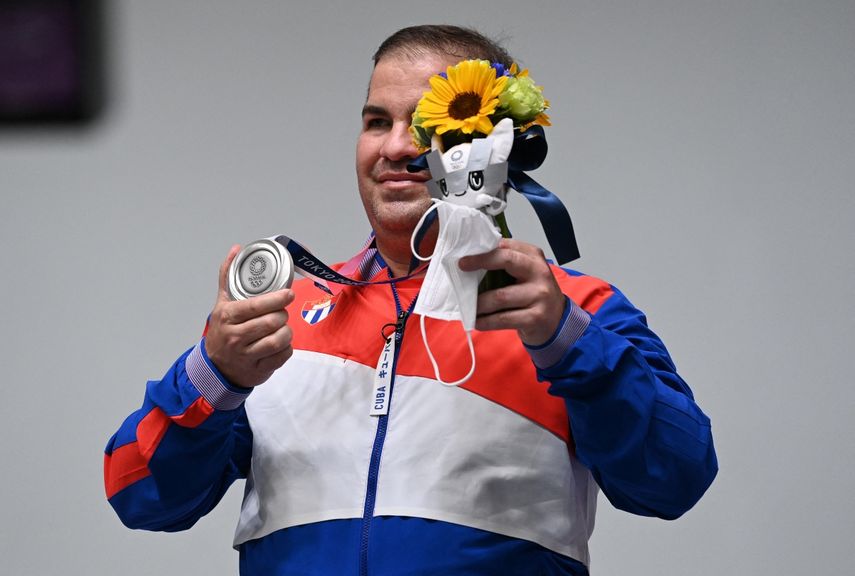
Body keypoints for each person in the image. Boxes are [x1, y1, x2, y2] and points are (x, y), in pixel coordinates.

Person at [104, 25, 717, 575]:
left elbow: (675, 480)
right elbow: (140, 494)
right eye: (376, 122)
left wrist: (568, 342)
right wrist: (214, 375)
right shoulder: (283, 314)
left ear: (495, 147)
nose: (395, 147)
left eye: (425, 124)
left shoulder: (572, 312)